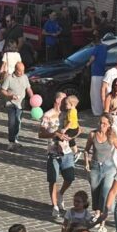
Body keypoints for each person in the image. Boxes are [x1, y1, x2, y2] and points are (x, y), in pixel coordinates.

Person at [40, 91, 77, 220]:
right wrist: (54, 134)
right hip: (53, 152)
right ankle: (55, 206)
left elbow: (75, 130)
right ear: (57, 101)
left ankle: (60, 194)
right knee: (53, 179)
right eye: (64, 100)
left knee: (70, 178)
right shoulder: (48, 115)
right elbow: (41, 134)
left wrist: (74, 136)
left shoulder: (69, 113)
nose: (67, 103)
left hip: (67, 152)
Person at [84, 115, 117, 218]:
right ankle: (97, 213)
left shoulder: (111, 135)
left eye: (104, 124)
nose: (101, 125)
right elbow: (86, 150)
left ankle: (103, 216)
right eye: (100, 122)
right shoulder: (92, 135)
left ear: (109, 125)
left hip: (109, 168)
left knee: (105, 191)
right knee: (95, 191)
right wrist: (86, 163)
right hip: (95, 167)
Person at [1, 61, 34, 150]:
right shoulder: (9, 78)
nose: (22, 73)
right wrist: (10, 95)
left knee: (18, 122)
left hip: (20, 104)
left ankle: (15, 139)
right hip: (11, 104)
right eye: (20, 71)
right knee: (12, 122)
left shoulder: (25, 77)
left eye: (23, 70)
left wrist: (33, 98)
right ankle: (11, 141)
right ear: (15, 70)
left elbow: (28, 89)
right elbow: (3, 90)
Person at [88, 32, 109, 116]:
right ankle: (104, 109)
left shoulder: (96, 48)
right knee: (103, 93)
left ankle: (97, 112)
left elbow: (92, 59)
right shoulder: (105, 47)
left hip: (96, 74)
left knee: (95, 94)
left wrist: (87, 64)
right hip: (104, 73)